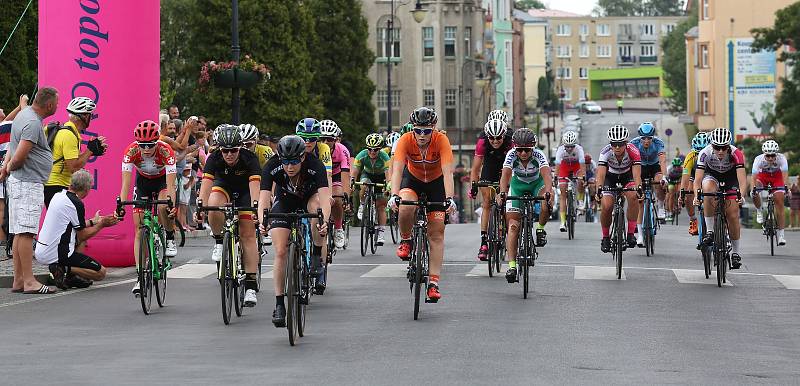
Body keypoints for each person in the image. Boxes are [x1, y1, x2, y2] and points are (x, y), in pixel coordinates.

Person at [259, 135, 331, 326]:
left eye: (294, 162)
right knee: (281, 251)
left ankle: (316, 254)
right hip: (284, 203)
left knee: (317, 212)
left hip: (309, 198)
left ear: (302, 157)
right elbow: (264, 197)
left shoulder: (315, 165)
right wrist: (262, 221)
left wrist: (324, 220)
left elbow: (325, 197)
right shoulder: (272, 165)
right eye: (285, 162)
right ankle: (279, 303)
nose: (289, 167)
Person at [388, 107, 456, 302]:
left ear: (434, 128)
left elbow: (448, 172)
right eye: (418, 130)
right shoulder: (405, 140)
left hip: (436, 183)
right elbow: (398, 171)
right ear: (412, 129)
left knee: (436, 234)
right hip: (413, 180)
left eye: (427, 131)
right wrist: (394, 195)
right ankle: (407, 239)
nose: (422, 135)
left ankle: (433, 283)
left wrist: (449, 198)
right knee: (406, 204)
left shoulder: (441, 140)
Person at [0, 87, 59, 294]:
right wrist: (9, 167)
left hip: (20, 182)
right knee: (26, 233)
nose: (58, 106)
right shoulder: (33, 122)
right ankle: (30, 281)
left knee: (18, 232)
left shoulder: (24, 114)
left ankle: (18, 280)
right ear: (49, 105)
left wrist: (6, 169)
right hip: (27, 182)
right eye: (57, 103)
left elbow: (11, 147)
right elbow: (19, 155)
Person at [198, 124, 262, 306]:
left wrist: (256, 208)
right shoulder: (214, 157)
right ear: (220, 149)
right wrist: (200, 208)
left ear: (240, 147)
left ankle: (250, 286)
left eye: (233, 150)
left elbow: (255, 189)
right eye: (225, 151)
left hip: (245, 191)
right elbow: (206, 185)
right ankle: (219, 241)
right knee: (213, 203)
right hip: (223, 186)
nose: (229, 155)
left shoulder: (250, 158)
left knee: (248, 235)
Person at [119, 120, 178, 294]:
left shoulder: (165, 150)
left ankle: (169, 235)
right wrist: (121, 204)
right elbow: (126, 184)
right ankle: (140, 276)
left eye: (150, 145)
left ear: (157, 141)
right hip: (143, 182)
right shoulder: (131, 151)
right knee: (139, 229)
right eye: (142, 145)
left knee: (162, 207)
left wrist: (171, 205)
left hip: (162, 182)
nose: (145, 149)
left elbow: (171, 184)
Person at [36, 170, 119, 289]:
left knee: (81, 241)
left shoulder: (58, 195)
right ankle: (63, 268)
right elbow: (82, 235)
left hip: (42, 249)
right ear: (86, 190)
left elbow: (71, 226)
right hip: (56, 253)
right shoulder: (76, 203)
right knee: (101, 273)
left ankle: (71, 277)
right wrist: (101, 225)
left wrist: (92, 221)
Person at [497, 128, 552, 283]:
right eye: (519, 150)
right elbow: (505, 175)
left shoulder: (539, 155)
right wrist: (503, 191)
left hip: (537, 184)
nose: (522, 153)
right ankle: (512, 266)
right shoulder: (511, 155)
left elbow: (547, 175)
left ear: (532, 148)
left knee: (546, 202)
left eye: (526, 150)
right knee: (513, 225)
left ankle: (540, 228)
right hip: (518, 185)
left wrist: (548, 192)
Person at [692, 127, 747, 269]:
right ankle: (710, 231)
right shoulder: (704, 153)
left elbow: (742, 181)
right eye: (717, 147)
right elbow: (697, 180)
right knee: (708, 191)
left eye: (724, 148)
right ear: (712, 145)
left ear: (728, 146)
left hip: (731, 179)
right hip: (712, 176)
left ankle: (735, 253)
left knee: (733, 214)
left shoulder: (737, 154)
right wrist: (697, 195)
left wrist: (741, 195)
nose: (721, 151)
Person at [45, 97, 107, 207]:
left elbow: (73, 161)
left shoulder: (69, 132)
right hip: (57, 185)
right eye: (89, 115)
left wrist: (90, 152)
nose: (90, 118)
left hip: (55, 185)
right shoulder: (69, 135)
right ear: (84, 116)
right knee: (68, 223)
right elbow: (73, 167)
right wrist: (89, 150)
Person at [468, 118, 512, 261]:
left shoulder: (510, 142)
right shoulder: (482, 142)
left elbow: (514, 168)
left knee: (505, 201)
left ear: (504, 135)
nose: (495, 141)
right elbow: (475, 168)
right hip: (490, 167)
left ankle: (505, 232)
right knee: (487, 202)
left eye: (498, 138)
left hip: (506, 168)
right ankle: (484, 243)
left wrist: (509, 186)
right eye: (491, 138)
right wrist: (474, 186)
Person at [596, 125, 642, 253]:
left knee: (633, 196)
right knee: (607, 205)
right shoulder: (605, 152)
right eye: (614, 144)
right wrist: (599, 189)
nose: (617, 147)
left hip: (627, 177)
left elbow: (637, 174)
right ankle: (605, 238)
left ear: (626, 143)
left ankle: (631, 233)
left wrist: (639, 188)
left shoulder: (633, 150)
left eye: (620, 144)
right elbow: (600, 174)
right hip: (610, 178)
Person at [630, 122, 667, 247]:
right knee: (640, 201)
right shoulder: (633, 143)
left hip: (654, 166)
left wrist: (665, 177)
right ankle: (640, 235)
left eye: (649, 138)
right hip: (640, 167)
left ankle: (661, 207)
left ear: (653, 137)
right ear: (640, 137)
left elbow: (662, 160)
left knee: (660, 181)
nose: (646, 141)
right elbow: (630, 162)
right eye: (643, 138)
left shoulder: (658, 143)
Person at [352, 133, 391, 245]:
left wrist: (388, 185)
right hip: (367, 175)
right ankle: (362, 204)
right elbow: (355, 171)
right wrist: (352, 181)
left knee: (381, 206)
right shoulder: (361, 155)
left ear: (380, 149)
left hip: (381, 177)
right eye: (369, 149)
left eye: (375, 150)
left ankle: (381, 233)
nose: (372, 152)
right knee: (364, 184)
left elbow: (388, 174)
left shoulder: (384, 157)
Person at [751, 139, 790, 246]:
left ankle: (781, 235)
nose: (770, 158)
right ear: (764, 154)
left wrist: (786, 187)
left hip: (777, 177)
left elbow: (785, 175)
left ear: (776, 154)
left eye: (773, 156)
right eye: (768, 156)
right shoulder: (758, 159)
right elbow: (753, 177)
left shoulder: (782, 158)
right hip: (762, 177)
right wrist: (753, 189)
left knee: (779, 201)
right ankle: (759, 210)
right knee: (754, 191)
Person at [319, 119, 351, 249]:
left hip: (337, 175)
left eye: (330, 139)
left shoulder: (342, 150)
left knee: (337, 198)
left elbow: (345, 175)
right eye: (323, 139)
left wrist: (346, 197)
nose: (326, 142)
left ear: (336, 139)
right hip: (320, 176)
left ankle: (338, 228)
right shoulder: (316, 150)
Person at [554, 130, 586, 233]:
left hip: (576, 166)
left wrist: (583, 177)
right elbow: (558, 165)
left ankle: (580, 201)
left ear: (575, 145)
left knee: (580, 181)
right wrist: (555, 177)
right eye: (567, 146)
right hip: (564, 167)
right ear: (564, 145)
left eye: (571, 146)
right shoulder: (560, 150)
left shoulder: (579, 149)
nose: (569, 149)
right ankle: (563, 222)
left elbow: (582, 165)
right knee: (563, 194)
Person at [680, 132, 709, 236]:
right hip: (694, 173)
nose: (700, 155)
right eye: (697, 153)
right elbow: (685, 177)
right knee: (688, 194)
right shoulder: (690, 157)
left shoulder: (712, 154)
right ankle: (693, 219)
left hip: (709, 173)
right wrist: (682, 194)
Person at [665, 157, 683, 221]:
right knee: (671, 194)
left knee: (679, 191)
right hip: (671, 181)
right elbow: (666, 177)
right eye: (675, 166)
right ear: (673, 165)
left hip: (679, 181)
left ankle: (679, 205)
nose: (676, 168)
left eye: (678, 166)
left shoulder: (683, 169)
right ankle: (670, 211)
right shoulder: (669, 168)